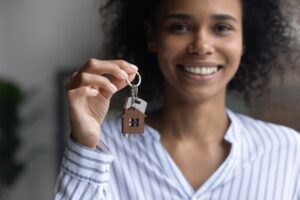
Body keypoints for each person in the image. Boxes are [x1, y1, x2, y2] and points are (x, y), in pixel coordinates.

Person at [54, 0, 300, 199]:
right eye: (180, 27)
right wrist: (85, 146)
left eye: (222, 28)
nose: (201, 46)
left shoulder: (289, 151)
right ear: (152, 36)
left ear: (244, 40)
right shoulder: (101, 146)